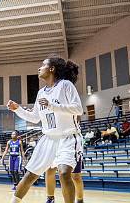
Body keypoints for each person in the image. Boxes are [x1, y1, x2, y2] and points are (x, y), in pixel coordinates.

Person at [7, 56, 83, 203]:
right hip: (48, 138)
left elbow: (78, 109)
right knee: (30, 175)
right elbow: (35, 118)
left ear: (52, 69)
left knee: (64, 173)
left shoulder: (65, 85)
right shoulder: (41, 92)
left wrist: (52, 106)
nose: (39, 68)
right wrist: (18, 109)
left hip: (68, 137)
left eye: (43, 65)